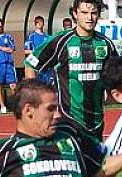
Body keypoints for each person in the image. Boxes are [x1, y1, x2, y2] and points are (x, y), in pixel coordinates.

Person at [25, 0, 117, 142]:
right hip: (67, 118)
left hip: (96, 120)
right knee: (71, 162)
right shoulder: (62, 41)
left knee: (95, 163)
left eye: (94, 13)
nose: (89, 17)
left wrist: (111, 93)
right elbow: (31, 63)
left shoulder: (105, 43)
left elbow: (114, 75)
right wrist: (33, 96)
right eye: (85, 13)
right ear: (75, 14)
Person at [24, 16, 53, 84]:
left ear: (43, 23)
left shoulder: (48, 37)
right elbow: (26, 51)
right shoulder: (31, 36)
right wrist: (37, 53)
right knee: (35, 84)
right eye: (37, 22)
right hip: (35, 62)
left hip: (45, 63)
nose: (38, 24)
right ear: (35, 24)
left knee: (46, 84)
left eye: (40, 22)